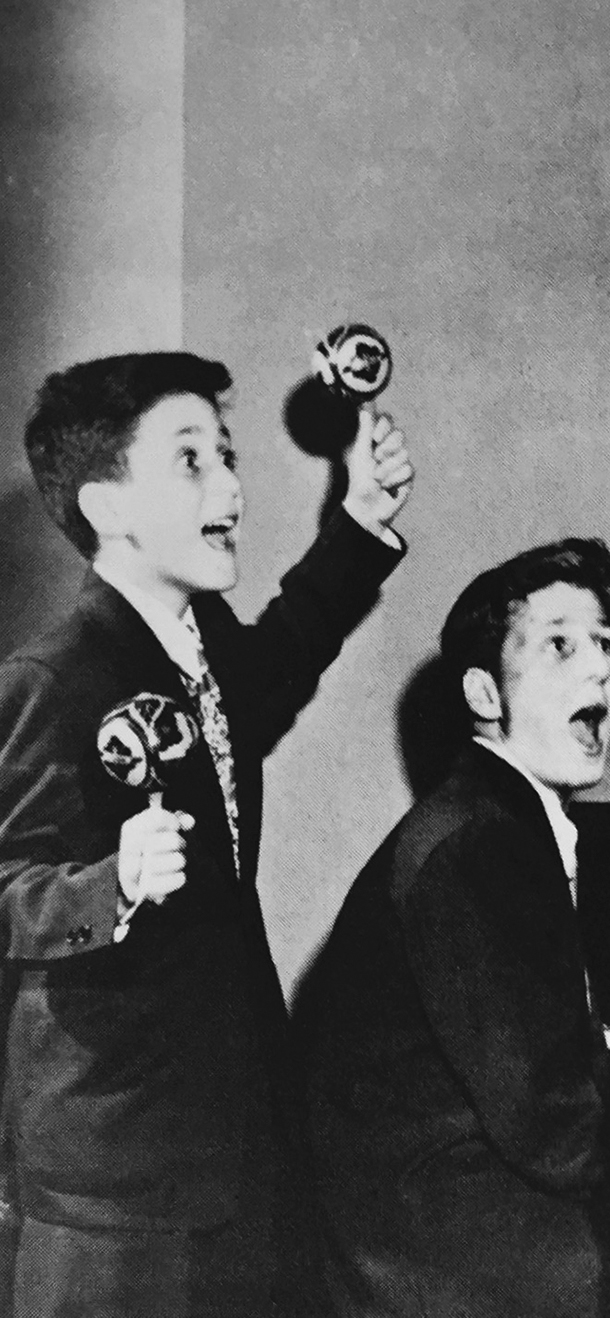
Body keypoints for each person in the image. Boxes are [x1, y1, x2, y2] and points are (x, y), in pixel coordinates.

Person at [0, 351, 414, 1316]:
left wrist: (359, 519)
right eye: (191, 461)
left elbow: (274, 666)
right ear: (106, 507)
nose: (230, 485)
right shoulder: (50, 679)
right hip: (119, 1194)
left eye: (226, 456)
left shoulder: (200, 645)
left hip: (235, 1153)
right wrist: (108, 885)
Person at [294, 538, 610, 1317]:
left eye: (606, 645)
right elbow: (551, 1122)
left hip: (442, 1203)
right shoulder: (478, 839)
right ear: (485, 694)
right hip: (425, 1247)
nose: (601, 669)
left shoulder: (498, 815)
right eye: (560, 646)